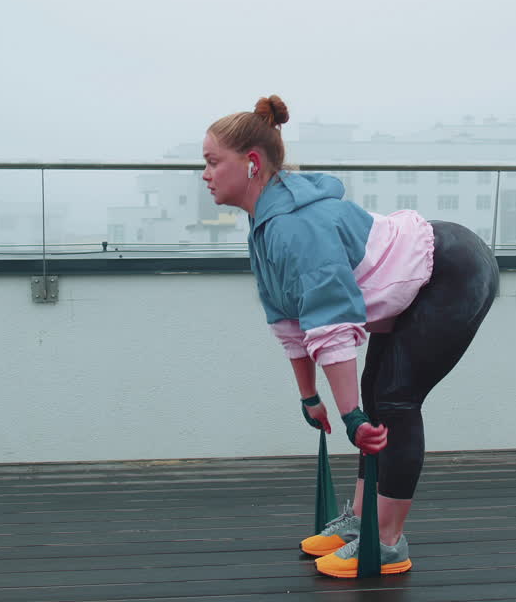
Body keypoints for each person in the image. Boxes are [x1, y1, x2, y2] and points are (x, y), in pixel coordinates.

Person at [201, 95, 500, 578]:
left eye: (213, 162)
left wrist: (351, 416)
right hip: (417, 280)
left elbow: (332, 323)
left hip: (452, 270)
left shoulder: (295, 227)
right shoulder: (266, 226)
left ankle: (387, 543)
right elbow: (289, 320)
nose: (206, 174)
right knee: (375, 398)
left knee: (393, 401)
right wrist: (310, 397)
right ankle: (363, 522)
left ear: (251, 162)